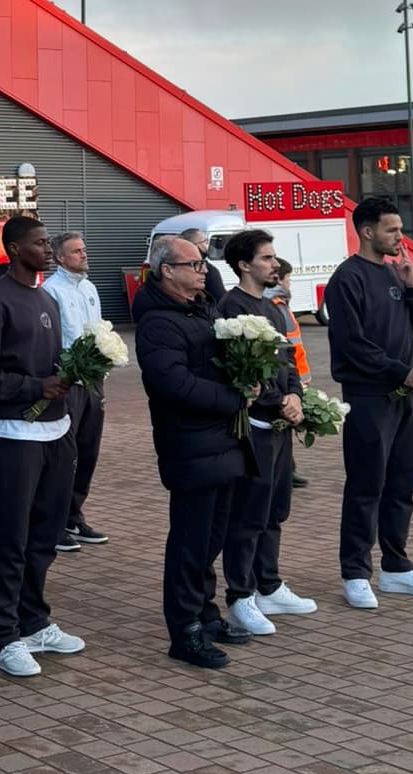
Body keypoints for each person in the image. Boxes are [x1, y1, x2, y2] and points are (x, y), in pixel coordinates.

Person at [0, 216, 86, 678]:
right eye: (39, 243)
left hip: (54, 432)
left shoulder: (45, 297)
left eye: (47, 242)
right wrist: (34, 386)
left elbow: (53, 360)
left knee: (45, 533)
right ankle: (2, 635)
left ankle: (33, 619)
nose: (47, 249)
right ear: (15, 249)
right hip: (11, 436)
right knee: (9, 538)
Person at [326, 197, 413, 609]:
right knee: (366, 485)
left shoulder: (395, 273)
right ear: (367, 231)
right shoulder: (348, 278)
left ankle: (396, 567)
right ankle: (355, 572)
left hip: (405, 397)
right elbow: (351, 344)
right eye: (392, 229)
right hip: (368, 396)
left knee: (404, 481)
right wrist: (399, 372)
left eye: (400, 228)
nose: (400, 236)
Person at [135, 237, 249, 669]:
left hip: (219, 441)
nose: (205, 270)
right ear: (166, 270)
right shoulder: (158, 322)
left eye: (204, 263)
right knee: (190, 542)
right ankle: (184, 631)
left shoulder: (200, 307)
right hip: (191, 443)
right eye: (195, 263)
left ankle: (205, 613)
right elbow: (173, 384)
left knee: (212, 538)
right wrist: (233, 397)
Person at [219, 230, 318, 633]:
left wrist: (294, 396)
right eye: (266, 258)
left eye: (274, 258)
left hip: (280, 426)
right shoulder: (231, 309)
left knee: (276, 510)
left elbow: (289, 361)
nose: (274, 264)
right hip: (254, 427)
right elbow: (239, 373)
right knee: (248, 515)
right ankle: (240, 596)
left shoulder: (274, 307)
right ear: (244, 265)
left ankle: (269, 585)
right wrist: (277, 401)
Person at [42, 231, 109, 550]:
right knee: (64, 456)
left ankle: (73, 515)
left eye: (84, 249)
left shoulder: (91, 288)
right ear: (59, 258)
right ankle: (53, 522)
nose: (84, 255)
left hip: (92, 383)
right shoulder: (51, 291)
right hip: (68, 383)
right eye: (76, 251)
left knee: (88, 452)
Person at [266, 258, 311, 489]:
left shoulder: (278, 304)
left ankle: (288, 468)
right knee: (283, 423)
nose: (291, 282)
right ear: (281, 279)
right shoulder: (275, 305)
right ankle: (286, 469)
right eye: (289, 277)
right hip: (290, 378)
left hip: (294, 376)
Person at [179, 228, 226, 303]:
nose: (204, 270)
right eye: (205, 242)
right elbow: (220, 299)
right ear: (196, 245)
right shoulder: (210, 270)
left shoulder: (176, 267)